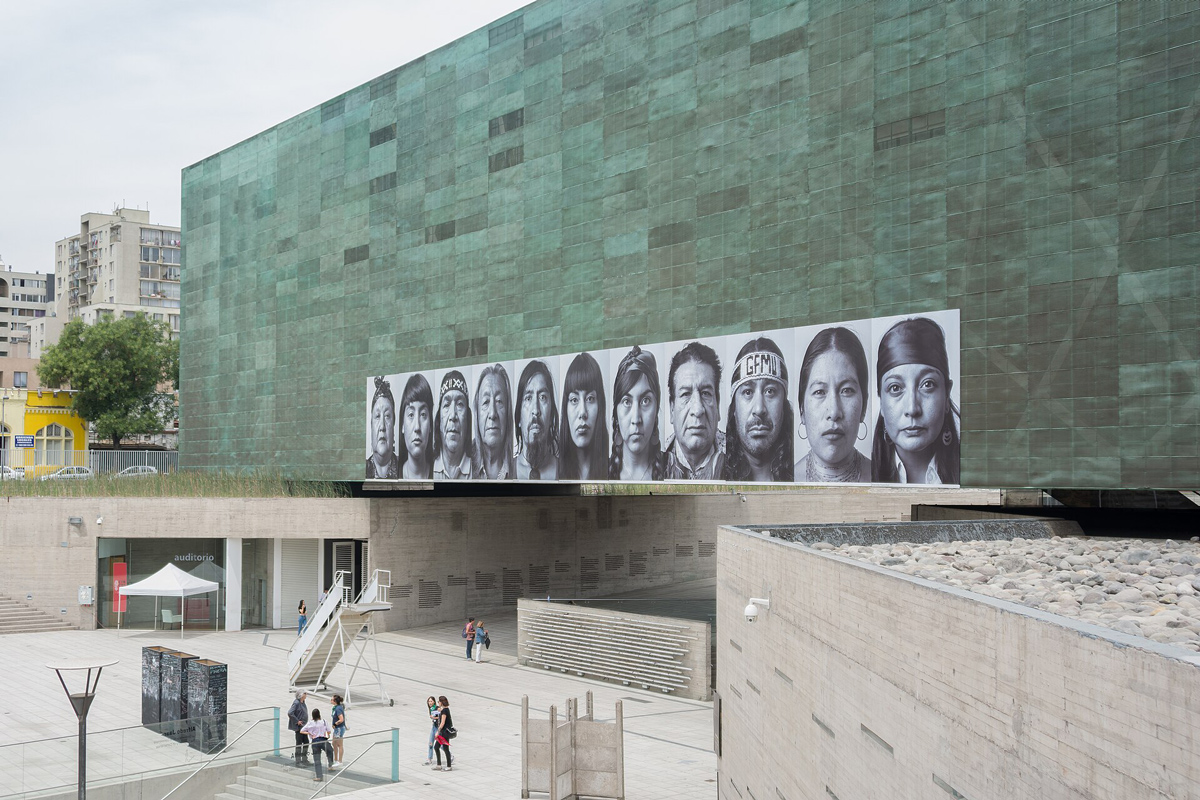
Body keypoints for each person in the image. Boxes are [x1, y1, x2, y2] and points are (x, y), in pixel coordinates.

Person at [871, 317, 960, 484]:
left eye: (927, 384)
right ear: (881, 401)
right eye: (895, 388)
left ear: (946, 395)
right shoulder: (864, 474)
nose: (912, 409)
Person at [794, 327, 873, 483]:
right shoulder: (785, 481)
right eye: (819, 392)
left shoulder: (886, 478)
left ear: (864, 407)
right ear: (802, 409)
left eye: (847, 390)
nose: (834, 412)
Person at [722, 337, 794, 482]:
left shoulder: (799, 473)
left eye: (770, 391)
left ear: (783, 405)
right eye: (748, 392)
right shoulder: (717, 474)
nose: (759, 409)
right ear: (734, 407)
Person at [663, 342, 725, 480]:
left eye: (706, 393)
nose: (697, 410)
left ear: (718, 405)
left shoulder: (739, 460)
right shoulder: (652, 462)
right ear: (672, 409)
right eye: (685, 394)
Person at [609, 345, 664, 481]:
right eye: (627, 402)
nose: (636, 419)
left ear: (656, 409)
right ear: (616, 414)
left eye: (645, 401)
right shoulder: (599, 472)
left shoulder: (673, 470)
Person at [558, 352, 609, 481]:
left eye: (590, 398)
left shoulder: (613, 470)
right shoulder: (554, 472)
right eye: (574, 400)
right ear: (565, 407)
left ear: (600, 405)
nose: (582, 412)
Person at [472, 364, 517, 479]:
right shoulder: (464, 461)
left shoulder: (519, 467)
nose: (492, 414)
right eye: (486, 402)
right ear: (477, 413)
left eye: (499, 401)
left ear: (508, 412)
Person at [515, 360, 558, 480]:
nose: (535, 410)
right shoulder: (504, 473)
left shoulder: (567, 471)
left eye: (542, 397)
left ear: (551, 415)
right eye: (528, 398)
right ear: (519, 417)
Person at [433, 370, 472, 480]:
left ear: (468, 418)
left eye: (460, 404)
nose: (453, 415)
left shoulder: (477, 471)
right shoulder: (427, 468)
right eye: (446, 405)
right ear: (439, 419)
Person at [398, 374, 435, 479]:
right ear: (402, 426)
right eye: (411, 415)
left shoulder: (438, 474)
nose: (417, 427)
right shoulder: (394, 474)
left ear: (430, 426)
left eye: (423, 414)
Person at [366, 376, 399, 478]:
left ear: (393, 425)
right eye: (377, 416)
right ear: (371, 426)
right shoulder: (362, 470)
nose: (382, 426)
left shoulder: (405, 469)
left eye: (387, 416)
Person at [301, 708, 334, 782]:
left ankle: (319, 776)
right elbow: (329, 731)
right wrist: (325, 734)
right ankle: (330, 764)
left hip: (315, 741)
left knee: (317, 759)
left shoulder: (310, 723)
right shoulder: (324, 722)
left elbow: (302, 731)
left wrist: (309, 733)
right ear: (319, 714)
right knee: (330, 750)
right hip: (323, 740)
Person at [287, 691, 310, 767]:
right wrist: (297, 721)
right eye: (305, 693)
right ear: (301, 695)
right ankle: (298, 761)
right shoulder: (296, 703)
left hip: (304, 726)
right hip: (299, 727)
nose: (306, 695)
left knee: (306, 742)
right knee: (299, 743)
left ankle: (304, 759)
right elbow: (290, 713)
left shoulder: (303, 702)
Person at [432, 695, 454, 771]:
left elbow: (442, 723)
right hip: (443, 732)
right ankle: (439, 765)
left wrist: (437, 732)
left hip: (444, 733)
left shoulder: (444, 711)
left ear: (441, 702)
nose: (438, 702)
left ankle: (449, 766)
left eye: (439, 701)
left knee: (445, 748)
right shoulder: (445, 709)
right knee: (436, 747)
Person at [330, 695, 347, 767]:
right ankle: (336, 759)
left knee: (340, 745)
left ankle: (340, 761)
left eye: (332, 699)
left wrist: (335, 724)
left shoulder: (338, 709)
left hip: (339, 728)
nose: (330, 700)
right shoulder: (335, 708)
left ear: (335, 701)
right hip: (336, 729)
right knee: (334, 743)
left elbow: (341, 719)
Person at [423, 695, 439, 765]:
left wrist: (434, 718)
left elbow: (441, 717)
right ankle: (429, 758)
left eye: (431, 701)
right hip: (433, 727)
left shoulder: (437, 708)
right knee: (430, 743)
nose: (430, 702)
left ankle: (450, 755)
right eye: (429, 701)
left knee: (440, 744)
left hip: (438, 727)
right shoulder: (431, 709)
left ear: (434, 702)